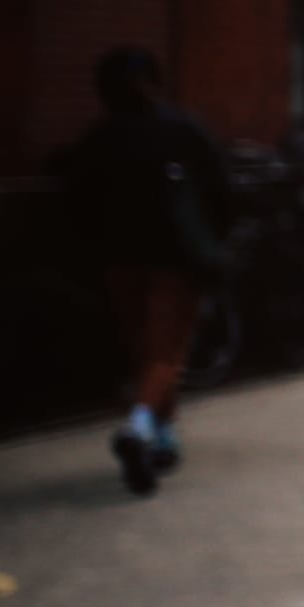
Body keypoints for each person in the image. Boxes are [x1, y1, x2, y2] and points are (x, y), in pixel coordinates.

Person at [64, 47, 231, 495]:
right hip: (175, 261)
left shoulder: (100, 137)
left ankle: (163, 437)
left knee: (145, 352)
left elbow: (73, 193)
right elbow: (222, 186)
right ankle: (139, 430)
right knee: (167, 354)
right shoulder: (180, 129)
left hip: (118, 260)